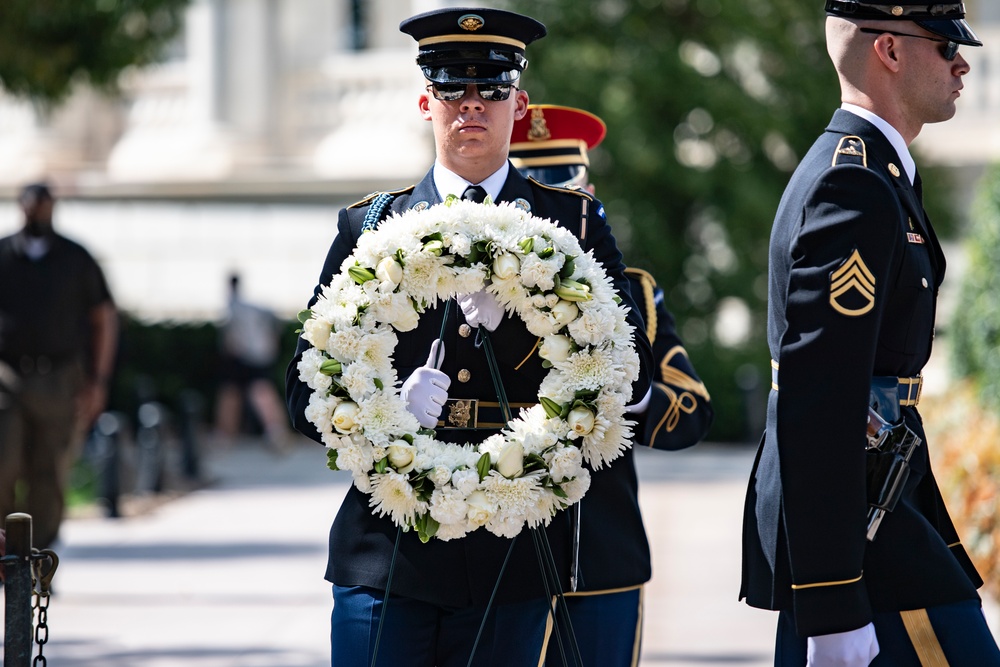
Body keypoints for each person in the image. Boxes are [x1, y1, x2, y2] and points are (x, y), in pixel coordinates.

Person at [285, 8, 653, 666]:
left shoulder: (572, 222)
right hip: (387, 547)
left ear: (520, 103)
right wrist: (387, 406)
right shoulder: (370, 224)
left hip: (508, 550)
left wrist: (520, 323)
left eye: (492, 88)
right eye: (453, 88)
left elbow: (629, 376)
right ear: (425, 101)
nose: (472, 106)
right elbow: (301, 392)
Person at [740, 2, 999, 665]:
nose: (962, 63)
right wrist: (833, 601)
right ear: (888, 50)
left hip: (876, 513)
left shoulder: (874, 172)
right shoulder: (853, 183)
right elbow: (818, 396)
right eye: (945, 47)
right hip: (864, 536)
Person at [510, 103, 714, 666]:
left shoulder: (634, 293)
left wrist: (629, 394)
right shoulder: (475, 294)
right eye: (531, 186)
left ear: (586, 191)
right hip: (501, 554)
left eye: (563, 186)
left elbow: (691, 409)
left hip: (600, 553)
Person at [0, 181, 118, 549]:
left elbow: (104, 318)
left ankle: (39, 556)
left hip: (60, 378)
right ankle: (5, 553)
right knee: (3, 464)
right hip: (7, 377)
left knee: (49, 473)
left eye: (44, 205)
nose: (37, 212)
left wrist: (98, 380)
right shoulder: (3, 253)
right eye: (31, 206)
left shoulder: (76, 258)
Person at [214, 272, 292, 452]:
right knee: (251, 393)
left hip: (246, 355)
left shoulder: (237, 304)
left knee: (241, 394)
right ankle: (275, 433)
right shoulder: (245, 304)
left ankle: (227, 436)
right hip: (257, 354)